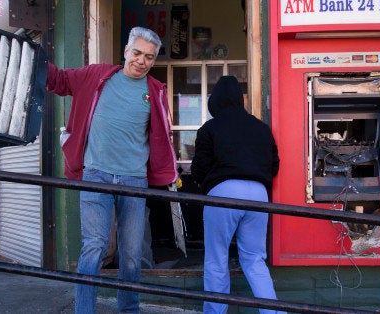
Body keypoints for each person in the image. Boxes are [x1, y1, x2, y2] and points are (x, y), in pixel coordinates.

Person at [46, 27, 177, 313]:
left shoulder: (155, 91)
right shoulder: (97, 76)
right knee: (94, 247)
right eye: (137, 53)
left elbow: (160, 137)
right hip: (96, 175)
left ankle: (129, 310)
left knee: (132, 255)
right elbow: (58, 80)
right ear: (126, 51)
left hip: (134, 180)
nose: (142, 61)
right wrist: (32, 55)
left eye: (149, 57)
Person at [190, 76, 283, 314]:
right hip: (259, 194)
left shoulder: (210, 128)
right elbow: (274, 165)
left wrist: (209, 184)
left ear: (215, 101)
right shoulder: (262, 129)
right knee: (254, 259)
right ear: (240, 100)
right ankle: (272, 312)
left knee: (216, 258)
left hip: (223, 193)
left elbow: (198, 169)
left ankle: (215, 312)